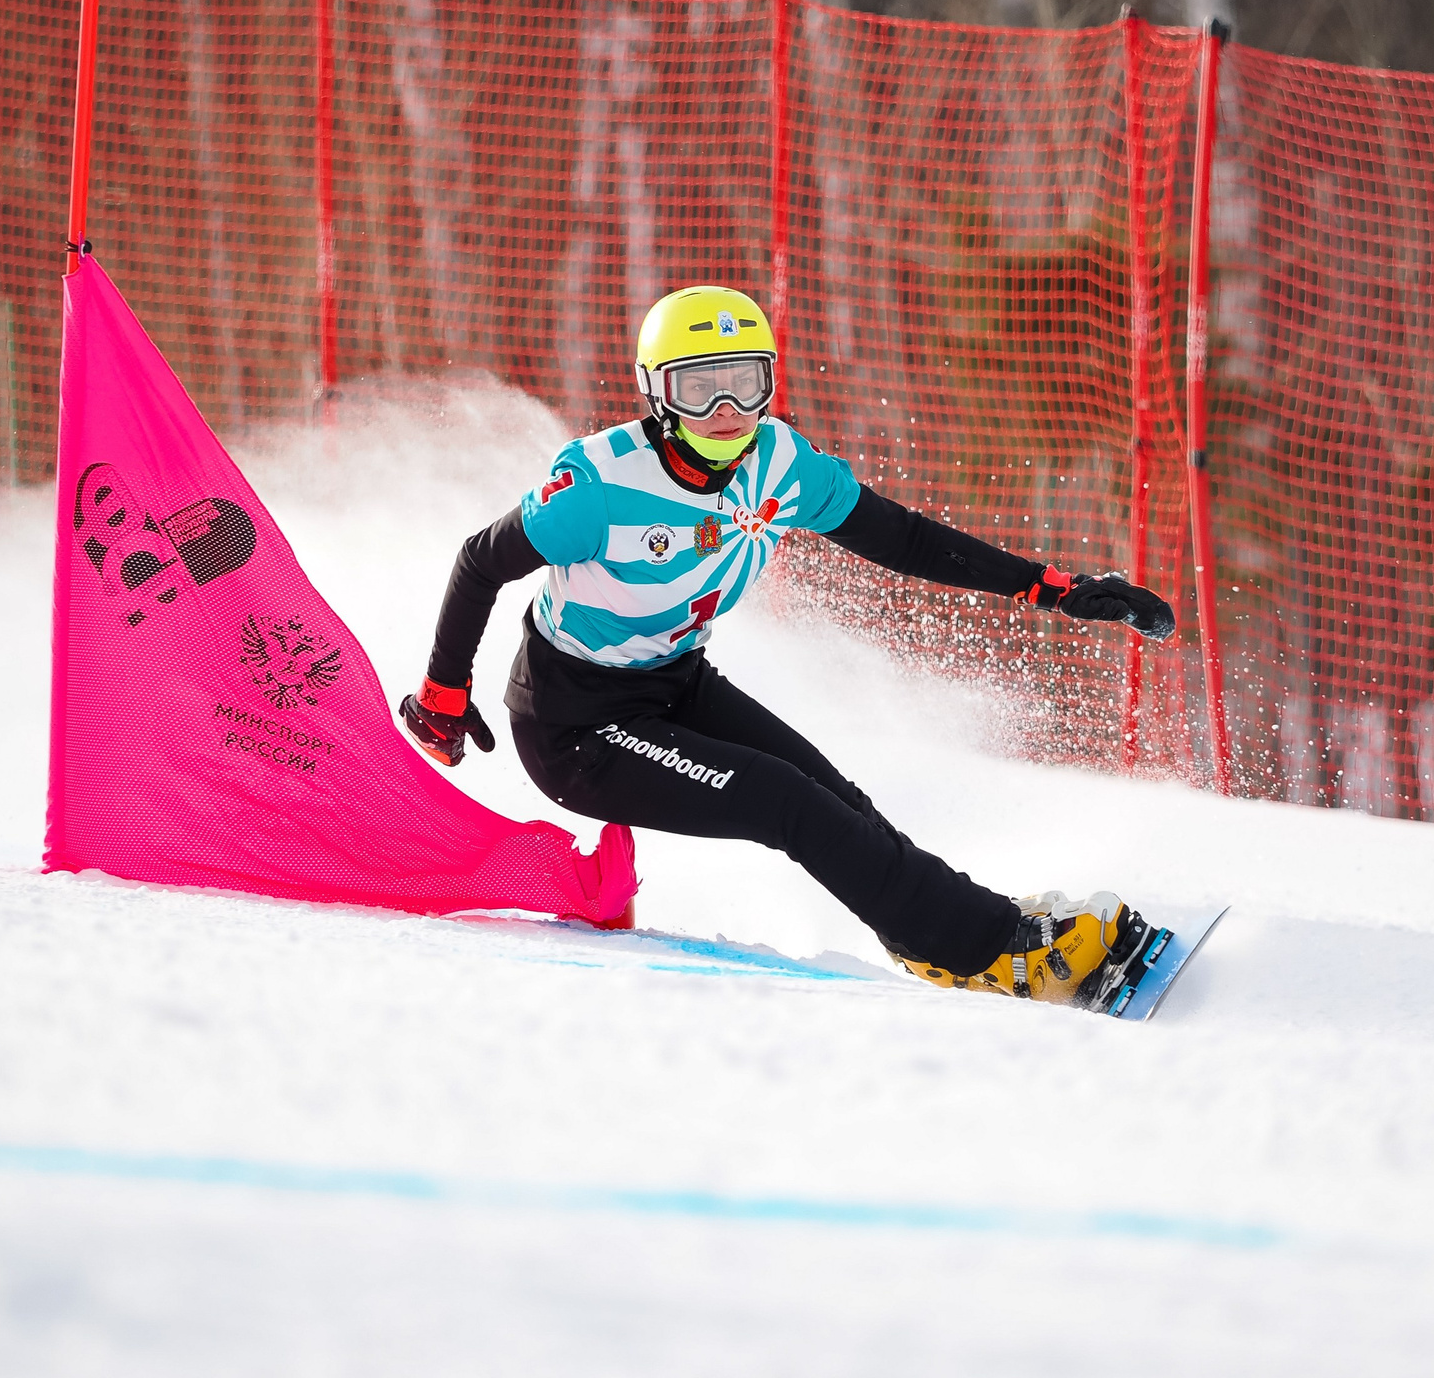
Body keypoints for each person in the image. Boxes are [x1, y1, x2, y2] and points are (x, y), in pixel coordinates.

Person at [403, 285, 1178, 1007]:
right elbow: (480, 559)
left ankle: (944, 934)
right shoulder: (601, 485)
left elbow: (902, 538)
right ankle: (994, 946)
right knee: (787, 803)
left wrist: (1051, 586)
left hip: (674, 680)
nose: (726, 409)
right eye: (698, 387)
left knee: (832, 794)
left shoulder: (779, 462)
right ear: (655, 393)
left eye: (745, 379)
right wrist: (443, 694)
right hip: (577, 727)